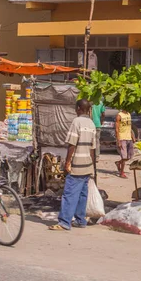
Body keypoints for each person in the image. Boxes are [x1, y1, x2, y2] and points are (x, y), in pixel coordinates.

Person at [49, 99, 96, 231]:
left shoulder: (77, 122)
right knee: (82, 194)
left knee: (70, 193)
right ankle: (80, 220)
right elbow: (93, 148)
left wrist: (68, 162)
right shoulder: (91, 124)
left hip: (77, 165)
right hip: (87, 165)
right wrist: (92, 166)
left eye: (76, 108)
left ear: (80, 108)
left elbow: (72, 144)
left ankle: (64, 222)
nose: (76, 110)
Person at [115, 109, 135, 178]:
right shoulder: (119, 115)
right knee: (124, 157)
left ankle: (118, 163)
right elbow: (117, 129)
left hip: (129, 138)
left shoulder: (129, 114)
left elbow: (130, 127)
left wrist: (133, 137)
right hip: (122, 138)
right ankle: (122, 172)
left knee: (129, 157)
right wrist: (118, 141)